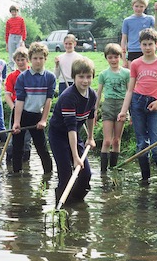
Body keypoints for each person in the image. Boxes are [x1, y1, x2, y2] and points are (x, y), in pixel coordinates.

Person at [117, 28, 157, 183]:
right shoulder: (135, 64)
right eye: (144, 44)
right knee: (142, 143)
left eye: (150, 44)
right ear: (139, 45)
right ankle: (145, 179)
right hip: (137, 103)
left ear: (156, 44)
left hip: (155, 103)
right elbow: (130, 90)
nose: (147, 47)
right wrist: (124, 111)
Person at [49, 57, 97, 204]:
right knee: (66, 174)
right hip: (59, 135)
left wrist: (90, 136)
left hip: (75, 134)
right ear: (74, 77)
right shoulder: (68, 97)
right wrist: (75, 157)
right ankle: (61, 207)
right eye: (81, 77)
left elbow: (90, 116)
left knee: (85, 173)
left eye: (88, 77)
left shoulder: (92, 95)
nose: (85, 81)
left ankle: (76, 202)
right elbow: (70, 128)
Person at [12, 42, 56, 174]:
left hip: (37, 115)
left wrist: (43, 120)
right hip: (22, 113)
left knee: (42, 148)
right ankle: (16, 177)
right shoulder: (23, 77)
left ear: (45, 59)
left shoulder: (50, 77)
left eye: (41, 58)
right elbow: (19, 101)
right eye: (35, 58)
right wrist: (16, 122)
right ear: (30, 59)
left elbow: (49, 100)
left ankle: (48, 174)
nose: (38, 61)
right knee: (17, 148)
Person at [95, 43, 130, 173]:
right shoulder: (103, 74)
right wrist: (95, 110)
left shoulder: (126, 73)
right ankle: (103, 172)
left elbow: (129, 92)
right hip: (108, 105)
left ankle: (113, 168)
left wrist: (128, 112)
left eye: (116, 57)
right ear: (106, 58)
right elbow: (98, 93)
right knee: (107, 140)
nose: (113, 60)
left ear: (120, 57)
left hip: (121, 106)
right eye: (110, 57)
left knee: (116, 140)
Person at [120, 0, 157, 69]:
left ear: (145, 7)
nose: (138, 9)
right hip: (132, 51)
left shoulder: (149, 18)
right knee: (133, 76)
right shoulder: (127, 21)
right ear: (132, 6)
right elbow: (124, 40)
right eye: (136, 6)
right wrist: (124, 59)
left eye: (141, 6)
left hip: (146, 50)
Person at [4, 47, 32, 163]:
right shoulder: (11, 76)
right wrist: (14, 108)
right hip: (16, 107)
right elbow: (7, 94)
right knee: (13, 134)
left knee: (27, 138)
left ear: (28, 60)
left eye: (23, 59)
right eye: (18, 60)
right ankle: (10, 160)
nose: (20, 62)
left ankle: (25, 162)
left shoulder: (33, 74)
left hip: (30, 109)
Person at [5, 5, 27, 71]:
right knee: (11, 53)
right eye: (12, 12)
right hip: (11, 37)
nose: (14, 13)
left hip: (19, 37)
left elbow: (24, 30)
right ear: (10, 12)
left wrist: (23, 40)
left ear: (17, 12)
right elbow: (7, 32)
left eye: (15, 11)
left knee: (20, 52)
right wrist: (6, 43)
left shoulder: (21, 20)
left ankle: (21, 65)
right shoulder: (9, 21)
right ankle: (12, 67)